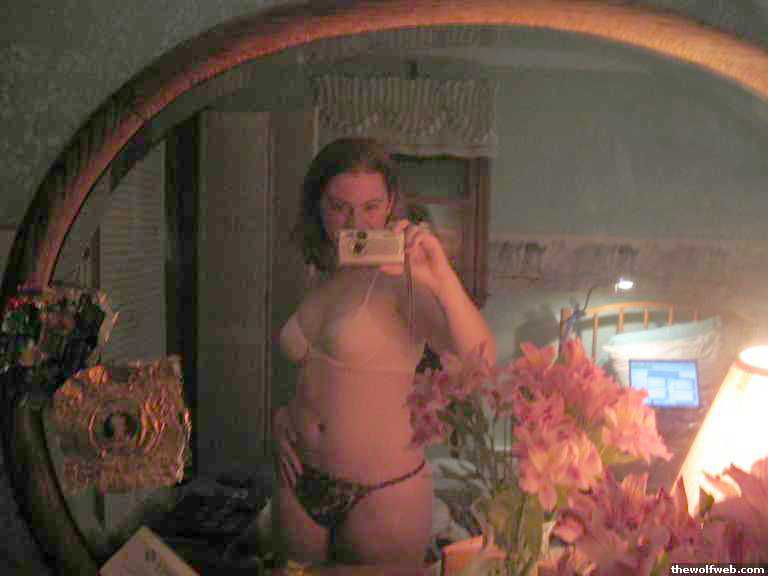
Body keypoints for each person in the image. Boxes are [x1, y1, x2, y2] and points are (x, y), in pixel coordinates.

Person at [271, 138, 496, 571]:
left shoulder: (403, 278)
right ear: (318, 204)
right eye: (339, 207)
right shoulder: (319, 273)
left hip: (380, 493)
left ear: (391, 202)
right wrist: (283, 417)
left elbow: (481, 363)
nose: (356, 222)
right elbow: (319, 375)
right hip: (298, 481)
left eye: (371, 207)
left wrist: (440, 276)